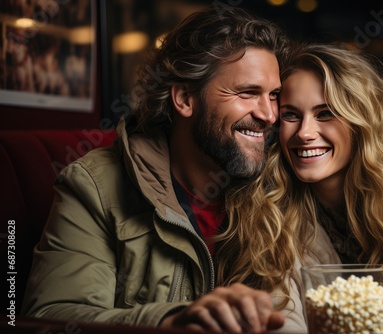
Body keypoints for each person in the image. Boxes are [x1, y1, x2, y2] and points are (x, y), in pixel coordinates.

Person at [21, 6, 298, 333]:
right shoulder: (94, 185)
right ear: (184, 99)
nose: (268, 114)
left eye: (274, 95)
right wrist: (170, 321)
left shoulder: (280, 180)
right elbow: (51, 316)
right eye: (248, 93)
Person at [220, 42, 383, 327]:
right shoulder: (268, 207)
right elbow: (282, 322)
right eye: (291, 115)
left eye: (325, 113)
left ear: (361, 122)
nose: (305, 133)